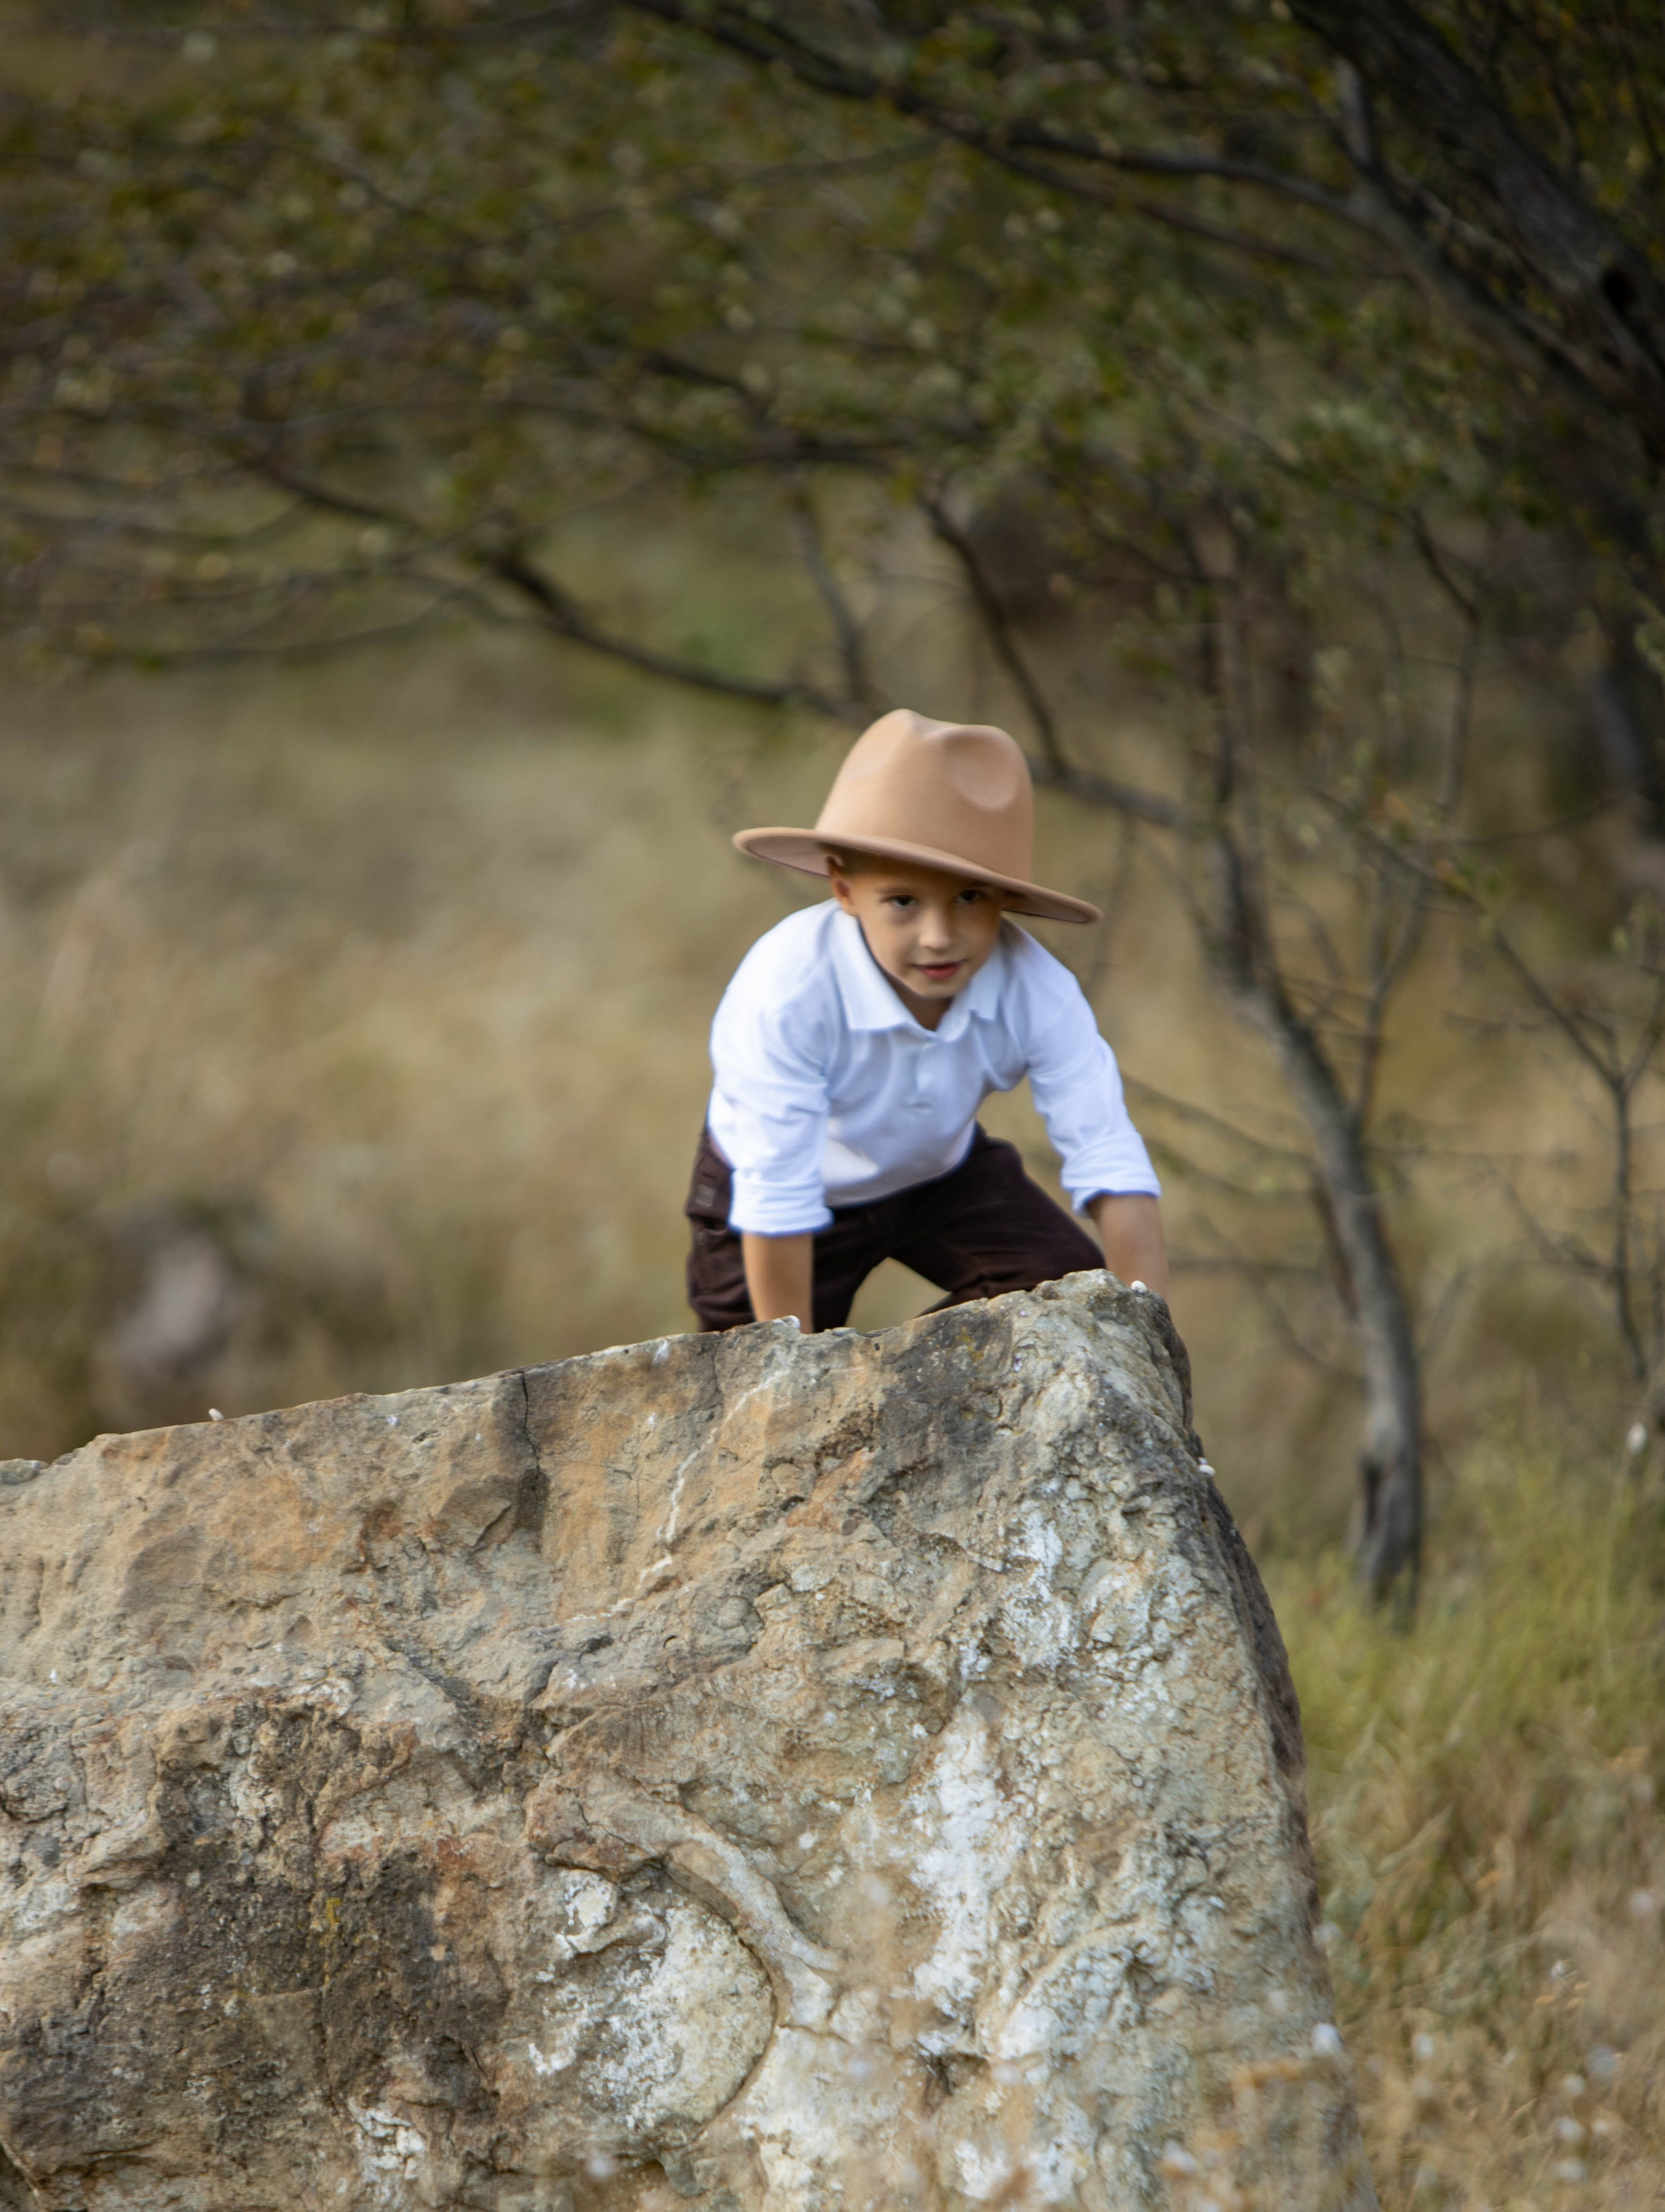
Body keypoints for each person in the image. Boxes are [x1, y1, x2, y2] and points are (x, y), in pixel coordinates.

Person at [685, 708, 1167, 1334]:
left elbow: (1108, 1154)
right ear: (843, 887)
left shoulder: (1035, 987)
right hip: (781, 1193)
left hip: (940, 1176)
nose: (939, 937)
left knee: (1071, 1298)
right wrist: (792, 1375)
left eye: (969, 897)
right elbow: (778, 1193)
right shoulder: (787, 992)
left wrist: (1147, 1333)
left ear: (1004, 899)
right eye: (904, 901)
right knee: (755, 1370)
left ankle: (917, 1387)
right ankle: (855, 1392)